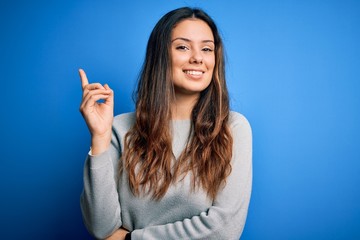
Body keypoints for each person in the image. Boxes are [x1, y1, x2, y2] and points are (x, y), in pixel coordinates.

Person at [79, 7, 252, 240]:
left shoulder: (233, 127)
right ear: (160, 55)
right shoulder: (119, 128)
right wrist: (99, 138)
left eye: (207, 49)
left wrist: (133, 238)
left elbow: (224, 229)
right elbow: (101, 227)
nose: (198, 58)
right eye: (183, 46)